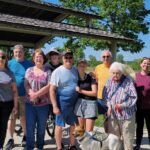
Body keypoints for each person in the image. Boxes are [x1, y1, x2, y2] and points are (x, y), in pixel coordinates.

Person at [103, 62, 137, 150]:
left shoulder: (128, 81)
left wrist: (123, 105)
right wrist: (109, 106)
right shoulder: (109, 81)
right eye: (113, 73)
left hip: (126, 115)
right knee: (114, 139)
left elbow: (133, 97)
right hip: (113, 115)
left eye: (117, 73)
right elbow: (106, 96)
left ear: (122, 72)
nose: (115, 75)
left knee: (127, 139)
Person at [6, 44, 33, 149]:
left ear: (23, 52)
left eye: (20, 52)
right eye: (16, 52)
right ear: (13, 53)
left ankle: (25, 136)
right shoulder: (9, 63)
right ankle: (10, 139)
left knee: (23, 118)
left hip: (23, 96)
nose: (18, 53)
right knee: (11, 118)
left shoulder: (29, 64)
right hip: (11, 96)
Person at [50, 50, 78, 150]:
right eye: (66, 57)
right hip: (61, 102)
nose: (68, 59)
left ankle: (72, 145)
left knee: (73, 124)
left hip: (74, 103)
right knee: (59, 125)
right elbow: (52, 90)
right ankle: (59, 147)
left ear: (73, 59)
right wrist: (54, 106)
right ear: (62, 59)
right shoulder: (57, 71)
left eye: (70, 57)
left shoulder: (75, 70)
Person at [24, 49, 51, 150]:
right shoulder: (29, 70)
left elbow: (49, 86)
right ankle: (29, 147)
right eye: (36, 57)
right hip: (29, 104)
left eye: (40, 56)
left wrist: (36, 94)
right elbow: (26, 83)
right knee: (30, 128)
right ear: (33, 59)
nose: (38, 58)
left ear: (43, 59)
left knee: (41, 129)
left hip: (43, 105)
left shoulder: (47, 71)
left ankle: (40, 146)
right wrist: (31, 93)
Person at [0, 50, 18, 150]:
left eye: (3, 57)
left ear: (6, 59)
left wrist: (15, 106)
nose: (1, 59)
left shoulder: (10, 73)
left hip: (7, 104)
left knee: (3, 126)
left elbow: (15, 91)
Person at [74, 59, 98, 131]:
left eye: (84, 64)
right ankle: (82, 142)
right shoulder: (74, 77)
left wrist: (81, 91)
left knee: (89, 132)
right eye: (80, 64)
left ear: (86, 66)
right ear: (77, 66)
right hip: (79, 103)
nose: (82, 66)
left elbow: (94, 93)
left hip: (91, 103)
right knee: (80, 130)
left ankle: (89, 142)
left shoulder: (90, 77)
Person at [134, 57, 150, 150]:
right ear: (140, 64)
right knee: (139, 127)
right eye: (144, 63)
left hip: (149, 107)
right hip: (138, 107)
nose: (146, 65)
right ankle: (138, 145)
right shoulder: (135, 76)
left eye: (148, 63)